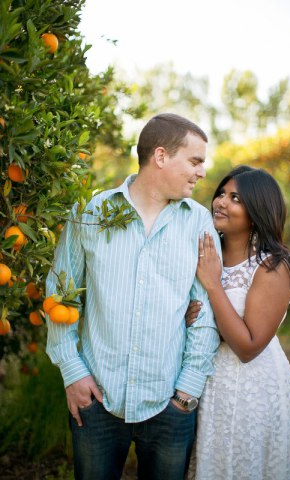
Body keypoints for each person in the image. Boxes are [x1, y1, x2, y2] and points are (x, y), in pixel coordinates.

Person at [45, 113, 221, 480]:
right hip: (96, 399)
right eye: (195, 160)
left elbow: (205, 309)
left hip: (170, 404)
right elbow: (61, 296)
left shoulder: (199, 222)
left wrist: (187, 393)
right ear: (160, 156)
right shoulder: (89, 214)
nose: (202, 172)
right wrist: (73, 372)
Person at [186, 165, 290, 480]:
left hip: (253, 385)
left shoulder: (272, 266)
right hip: (210, 381)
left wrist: (212, 286)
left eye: (235, 197)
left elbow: (248, 346)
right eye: (221, 193)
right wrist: (188, 317)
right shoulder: (207, 254)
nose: (220, 202)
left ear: (257, 211)